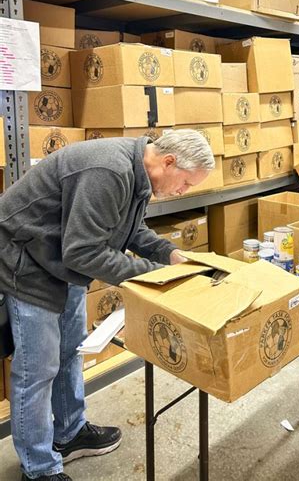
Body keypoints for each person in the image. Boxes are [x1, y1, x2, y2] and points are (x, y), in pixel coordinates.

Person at [0, 129, 215, 481]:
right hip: (27, 262)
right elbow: (83, 252)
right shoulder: (110, 171)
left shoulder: (140, 174)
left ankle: (69, 433)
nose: (183, 192)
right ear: (169, 161)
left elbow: (132, 231)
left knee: (70, 350)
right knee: (37, 370)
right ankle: (37, 468)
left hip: (59, 260)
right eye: (187, 184)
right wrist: (157, 274)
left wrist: (172, 255)